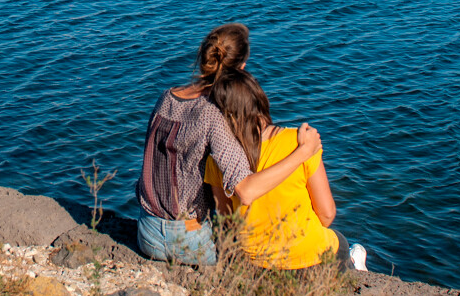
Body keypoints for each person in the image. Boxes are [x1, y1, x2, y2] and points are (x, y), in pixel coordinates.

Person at [136, 23, 322, 265]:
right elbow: (245, 191)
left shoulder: (166, 97)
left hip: (147, 232)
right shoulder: (215, 114)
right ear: (242, 69)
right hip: (187, 240)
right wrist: (303, 152)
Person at [204, 69, 366, 272]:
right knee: (340, 242)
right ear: (260, 100)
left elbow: (227, 218)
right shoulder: (300, 142)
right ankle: (355, 268)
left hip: (255, 264)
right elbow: (326, 215)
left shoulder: (218, 159)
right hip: (308, 256)